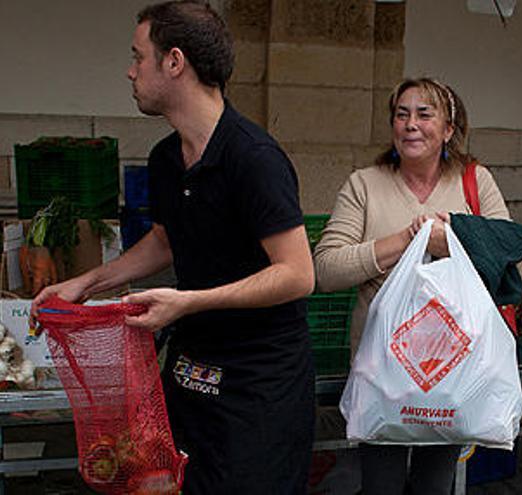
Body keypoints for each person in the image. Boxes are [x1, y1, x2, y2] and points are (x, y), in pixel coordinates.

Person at [31, 1, 316, 493]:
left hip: (258, 386)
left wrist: (189, 301)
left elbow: (297, 274)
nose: (130, 70)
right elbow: (167, 238)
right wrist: (88, 281)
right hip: (190, 372)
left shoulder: (253, 158)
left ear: (175, 62)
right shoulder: (167, 157)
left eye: (139, 57)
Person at [313, 78, 518, 495]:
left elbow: (515, 264)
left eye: (425, 114)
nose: (411, 124)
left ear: (448, 129)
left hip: (453, 372)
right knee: (380, 484)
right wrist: (408, 241)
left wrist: (453, 243)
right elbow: (326, 269)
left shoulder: (475, 183)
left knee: (435, 484)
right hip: (382, 373)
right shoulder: (364, 185)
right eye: (401, 114)